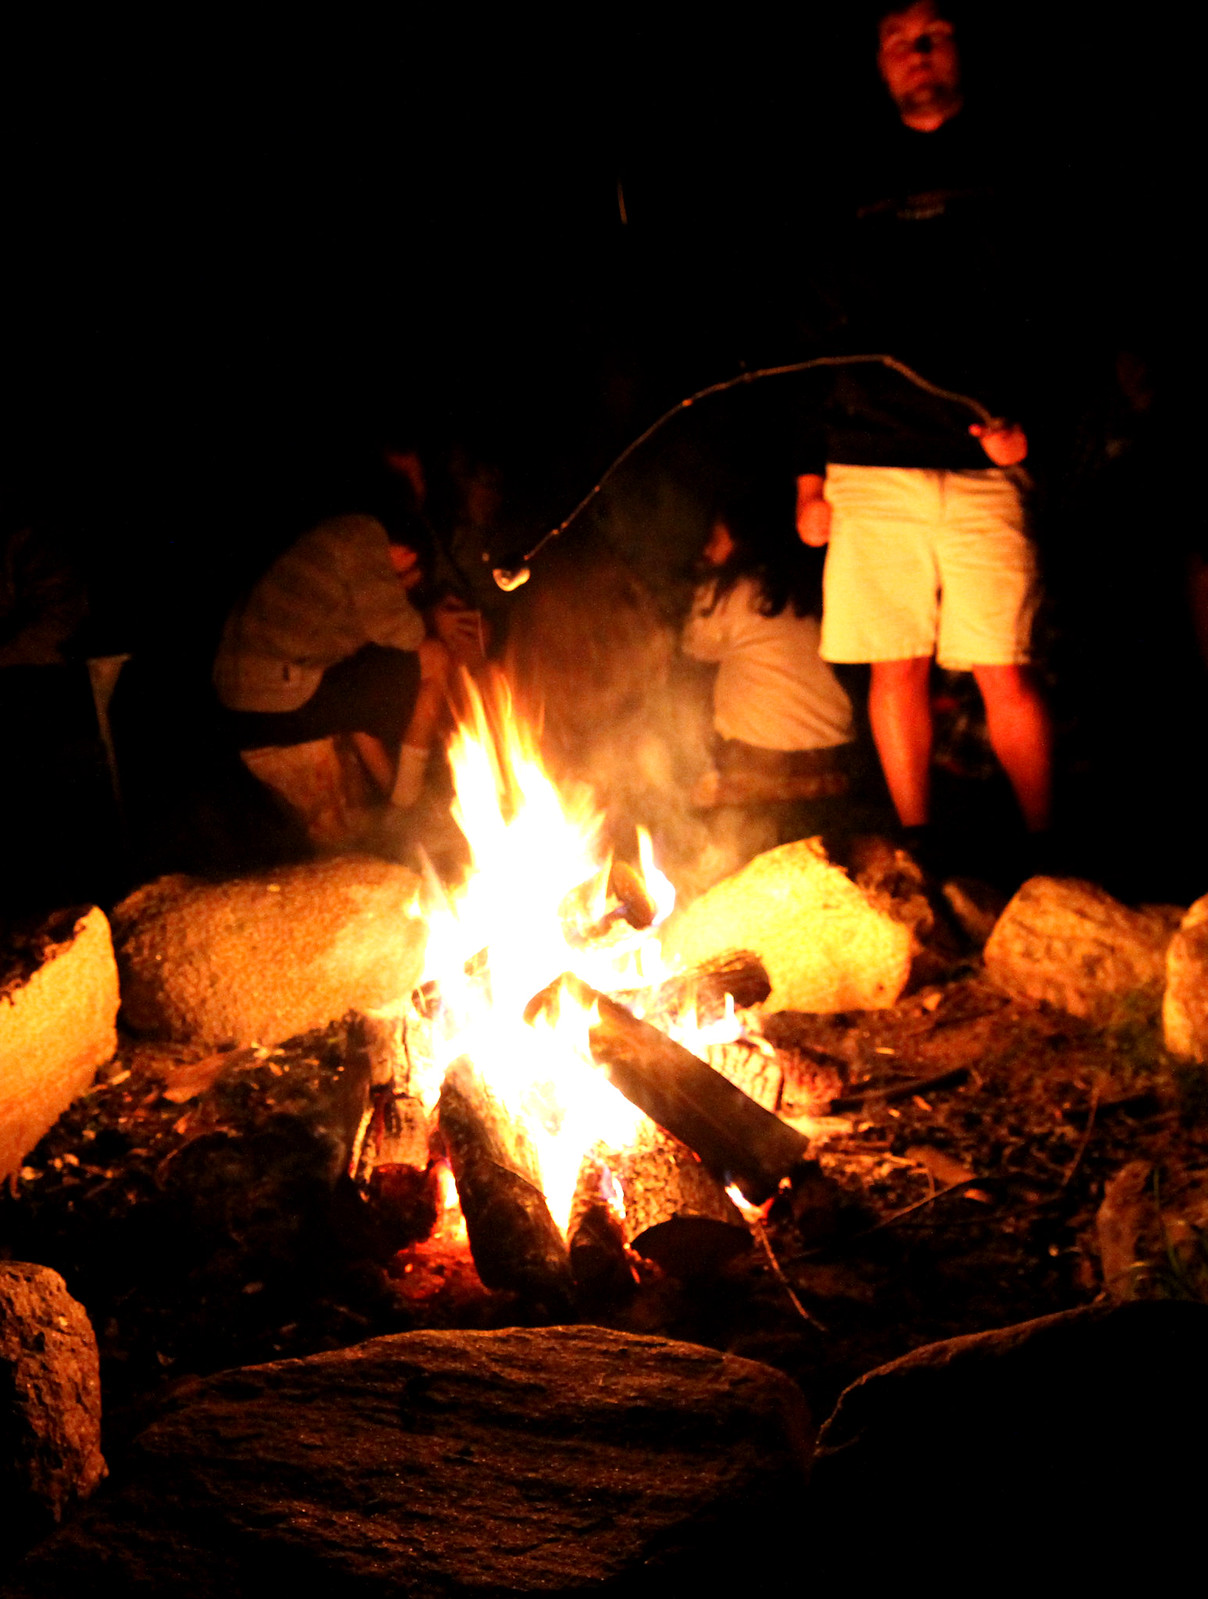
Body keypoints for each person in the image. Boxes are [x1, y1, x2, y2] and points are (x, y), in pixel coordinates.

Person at [795, 0, 1053, 869]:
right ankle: (920, 852)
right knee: (892, 663)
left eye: (934, 34)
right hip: (868, 458)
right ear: (879, 62)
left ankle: (1050, 851)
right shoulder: (847, 175)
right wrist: (807, 478)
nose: (920, 52)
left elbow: (1062, 313)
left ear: (961, 46)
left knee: (1002, 666)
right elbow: (812, 328)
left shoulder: (1017, 158)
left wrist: (1034, 428)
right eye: (900, 42)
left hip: (984, 459)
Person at [683, 485, 855, 829]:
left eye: (716, 539)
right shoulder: (815, 586)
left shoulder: (726, 592)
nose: (707, 548)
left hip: (758, 762)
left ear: (745, 543)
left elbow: (693, 651)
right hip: (834, 763)